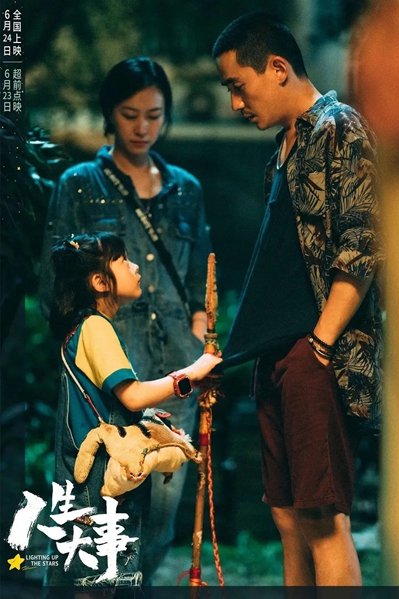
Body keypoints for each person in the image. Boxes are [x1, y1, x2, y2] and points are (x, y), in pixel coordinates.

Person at [212, 13, 383, 586]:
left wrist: (320, 345)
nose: (236, 103)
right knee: (287, 518)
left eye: (239, 85)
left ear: (279, 68)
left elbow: (363, 245)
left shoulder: (340, 127)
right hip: (277, 354)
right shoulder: (282, 150)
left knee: (322, 518)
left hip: (315, 355)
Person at [39, 57, 212, 582]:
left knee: (158, 518)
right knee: (92, 508)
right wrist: (79, 352)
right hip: (109, 375)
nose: (142, 128)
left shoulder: (186, 188)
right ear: (109, 114)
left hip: (176, 370)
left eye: (154, 116)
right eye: (129, 115)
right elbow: (53, 281)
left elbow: (201, 276)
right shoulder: (79, 183)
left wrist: (198, 344)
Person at [44, 231, 221, 598]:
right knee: (95, 585)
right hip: (97, 484)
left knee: (93, 581)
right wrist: (193, 371)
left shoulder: (86, 328)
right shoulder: (95, 327)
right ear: (99, 282)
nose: (136, 267)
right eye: (124, 261)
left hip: (87, 479)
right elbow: (134, 395)